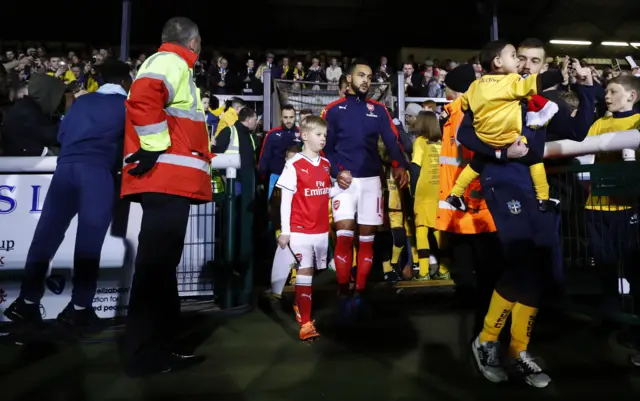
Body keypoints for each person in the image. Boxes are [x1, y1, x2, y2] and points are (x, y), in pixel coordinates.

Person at [3, 60, 132, 329]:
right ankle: (79, 307)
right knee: (88, 244)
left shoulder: (82, 103)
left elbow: (62, 134)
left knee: (45, 237)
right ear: (125, 81)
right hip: (96, 173)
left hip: (65, 171)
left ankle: (27, 302)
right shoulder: (127, 106)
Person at [121, 17, 211, 377]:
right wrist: (155, 144)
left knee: (160, 270)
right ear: (194, 41)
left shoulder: (171, 64)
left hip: (169, 181)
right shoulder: (170, 62)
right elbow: (143, 99)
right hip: (166, 180)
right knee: (154, 270)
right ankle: (145, 355)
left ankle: (161, 346)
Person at [322, 59, 409, 316]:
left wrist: (399, 164)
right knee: (345, 232)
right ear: (348, 79)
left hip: (372, 180)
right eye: (361, 75)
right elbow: (325, 147)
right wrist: (337, 172)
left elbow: (392, 141)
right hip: (344, 183)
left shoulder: (379, 110)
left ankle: (359, 291)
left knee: (367, 238)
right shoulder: (333, 110)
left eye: (369, 77)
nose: (366, 81)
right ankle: (342, 289)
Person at [445, 40, 562, 213]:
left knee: (477, 163)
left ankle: (455, 194)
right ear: (498, 62)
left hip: (485, 139)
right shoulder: (511, 82)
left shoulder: (475, 85)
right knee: (535, 159)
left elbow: (464, 105)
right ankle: (543, 199)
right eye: (514, 56)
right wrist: (560, 73)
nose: (519, 62)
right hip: (507, 138)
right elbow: (540, 82)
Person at [435, 64, 502, 331]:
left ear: (454, 87)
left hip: (469, 199)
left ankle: (483, 304)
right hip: (462, 198)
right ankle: (474, 297)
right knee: (467, 252)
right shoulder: (457, 112)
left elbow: (472, 157)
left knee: (479, 255)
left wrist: (468, 193)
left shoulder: (465, 113)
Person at [582, 76, 640, 367]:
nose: (607, 96)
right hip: (596, 207)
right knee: (604, 267)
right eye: (606, 91)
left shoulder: (637, 122)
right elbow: (584, 159)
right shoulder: (599, 124)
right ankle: (610, 318)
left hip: (628, 207)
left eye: (613, 91)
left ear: (631, 96)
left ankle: (636, 327)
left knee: (633, 268)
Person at [276, 116, 332, 341]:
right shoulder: (294, 165)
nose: (323, 140)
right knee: (305, 271)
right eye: (319, 135)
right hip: (300, 230)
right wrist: (285, 231)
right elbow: (285, 200)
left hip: (321, 230)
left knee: (313, 272)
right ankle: (306, 324)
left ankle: (300, 305)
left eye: (325, 136)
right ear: (305, 136)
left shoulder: (326, 164)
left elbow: (327, 193)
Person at [411, 112, 449, 280]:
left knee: (421, 230)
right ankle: (443, 268)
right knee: (438, 230)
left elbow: (415, 168)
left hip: (424, 191)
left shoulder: (420, 142)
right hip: (440, 190)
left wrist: (412, 191)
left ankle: (424, 271)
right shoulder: (442, 143)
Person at [258, 104, 301, 200]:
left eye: (291, 117)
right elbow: (264, 157)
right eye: (285, 117)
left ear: (295, 117)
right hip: (276, 177)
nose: (288, 120)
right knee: (274, 208)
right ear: (281, 117)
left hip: (297, 178)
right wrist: (261, 179)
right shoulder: (272, 134)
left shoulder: (302, 134)